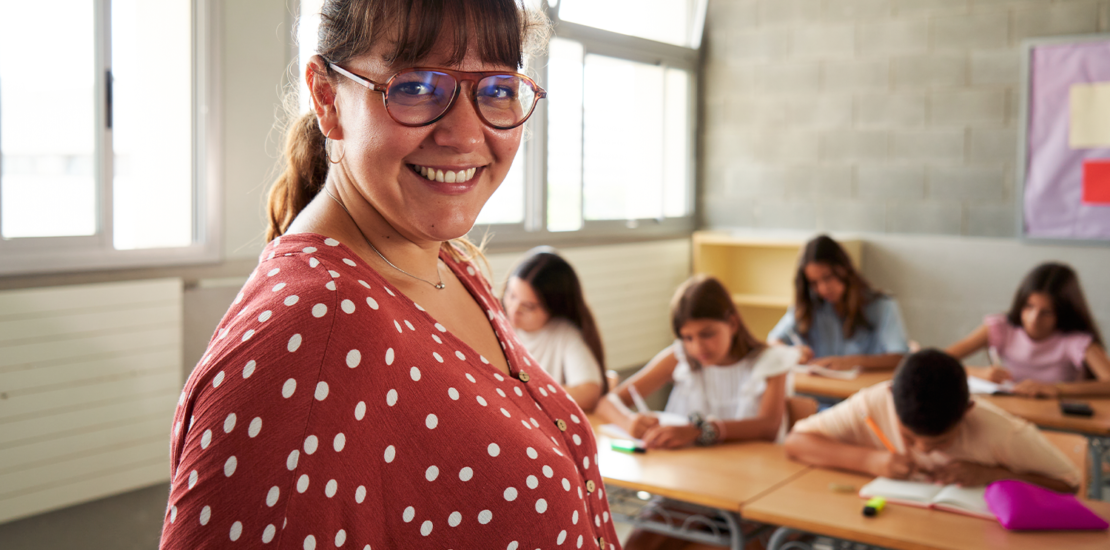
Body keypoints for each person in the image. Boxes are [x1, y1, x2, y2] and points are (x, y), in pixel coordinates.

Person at [159, 2, 622, 548]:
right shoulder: (311, 328)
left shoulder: (450, 263)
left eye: (498, 88)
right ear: (328, 98)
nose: (465, 134)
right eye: (418, 85)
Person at [785, 349, 1080, 494]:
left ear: (968, 411)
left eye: (939, 442)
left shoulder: (1005, 433)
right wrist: (870, 461)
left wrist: (990, 475)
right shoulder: (875, 401)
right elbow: (796, 442)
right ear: (891, 397)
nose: (923, 450)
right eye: (909, 437)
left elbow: (1068, 484)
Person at [597, 275, 798, 450]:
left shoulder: (771, 361)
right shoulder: (680, 357)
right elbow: (606, 403)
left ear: (732, 324)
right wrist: (629, 422)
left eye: (707, 334)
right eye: (687, 338)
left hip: (751, 475)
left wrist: (699, 431)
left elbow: (768, 427)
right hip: (688, 473)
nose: (697, 347)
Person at [946, 262, 1110, 398]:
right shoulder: (1001, 327)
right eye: (1028, 307)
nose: (1033, 319)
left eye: (1046, 312)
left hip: (1054, 420)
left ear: (1063, 314)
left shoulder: (1076, 341)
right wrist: (977, 373)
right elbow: (937, 361)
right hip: (1007, 413)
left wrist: (1058, 389)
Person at [768, 234, 909, 370]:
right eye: (814, 283)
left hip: (860, 390)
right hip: (819, 389)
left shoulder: (881, 305)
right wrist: (791, 353)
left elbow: (899, 357)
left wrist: (851, 362)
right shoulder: (811, 305)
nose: (822, 289)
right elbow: (773, 341)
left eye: (827, 277)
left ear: (843, 269)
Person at [503, 247, 608, 412]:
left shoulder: (563, 333)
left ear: (553, 309)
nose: (514, 310)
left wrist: (523, 392)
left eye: (529, 307)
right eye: (511, 295)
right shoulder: (496, 321)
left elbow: (589, 393)